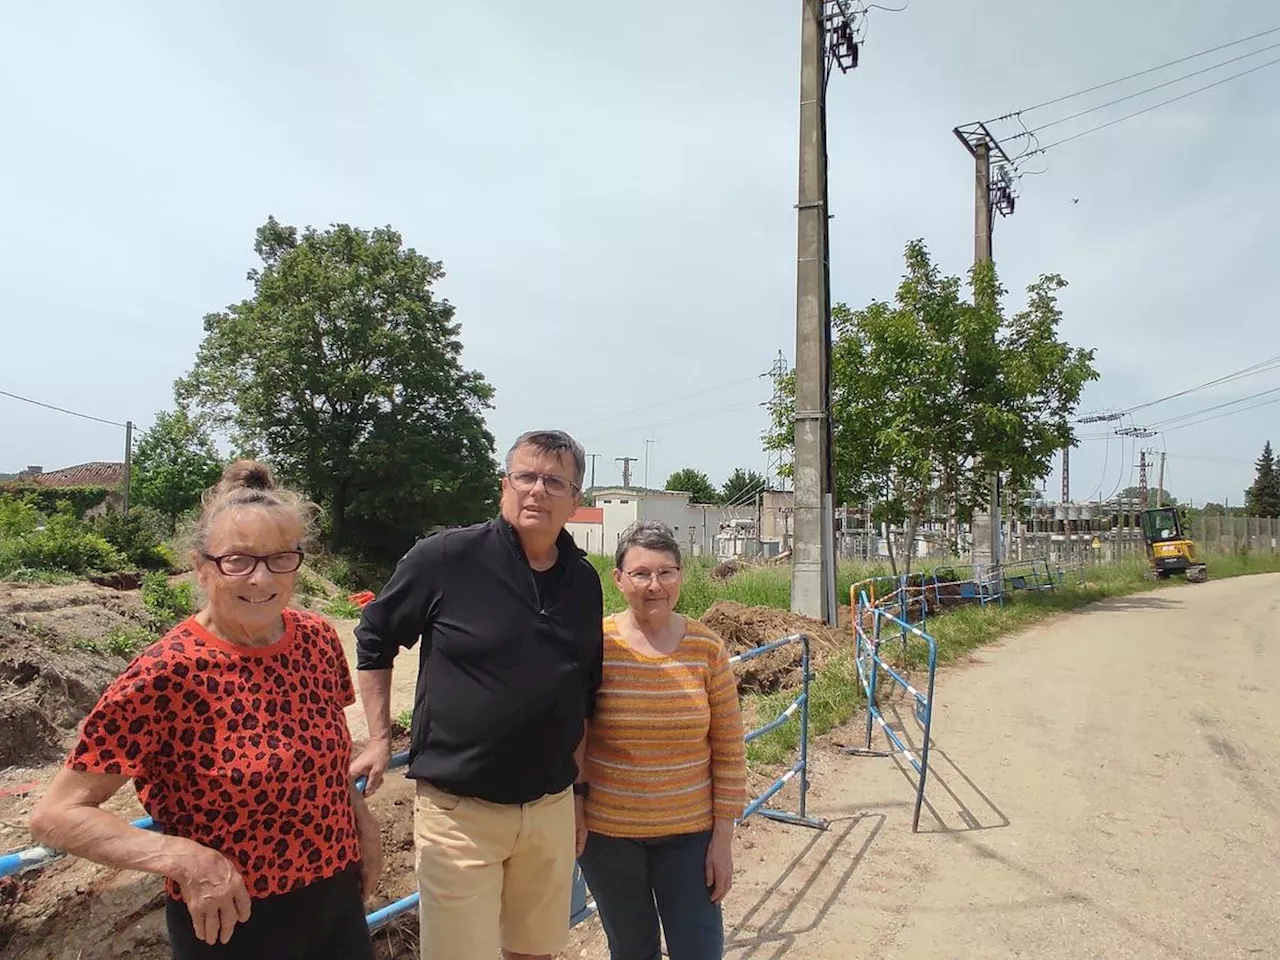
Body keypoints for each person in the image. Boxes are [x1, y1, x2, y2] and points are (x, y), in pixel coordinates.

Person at [28, 461, 382, 960]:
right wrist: (182, 857)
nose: (260, 578)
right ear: (201, 567)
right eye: (237, 560)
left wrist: (361, 820)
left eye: (280, 558)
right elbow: (56, 816)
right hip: (233, 918)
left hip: (336, 900)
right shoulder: (166, 673)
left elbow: (322, 755)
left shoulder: (317, 639)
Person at [351, 429, 604, 960]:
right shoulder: (446, 557)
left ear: (576, 499)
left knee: (535, 951)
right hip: (459, 812)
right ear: (503, 486)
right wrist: (378, 738)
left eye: (555, 481)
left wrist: (579, 795)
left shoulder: (583, 580)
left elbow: (582, 693)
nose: (538, 490)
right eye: (526, 476)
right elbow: (375, 635)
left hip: (550, 808)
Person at [578, 520, 747, 960]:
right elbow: (574, 736)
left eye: (666, 572)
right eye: (641, 574)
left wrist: (723, 841)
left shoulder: (707, 649)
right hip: (609, 836)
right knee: (632, 949)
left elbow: (729, 751)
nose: (655, 585)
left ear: (680, 576)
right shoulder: (594, 645)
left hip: (690, 837)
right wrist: (575, 812)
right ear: (618, 579)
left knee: (699, 948)